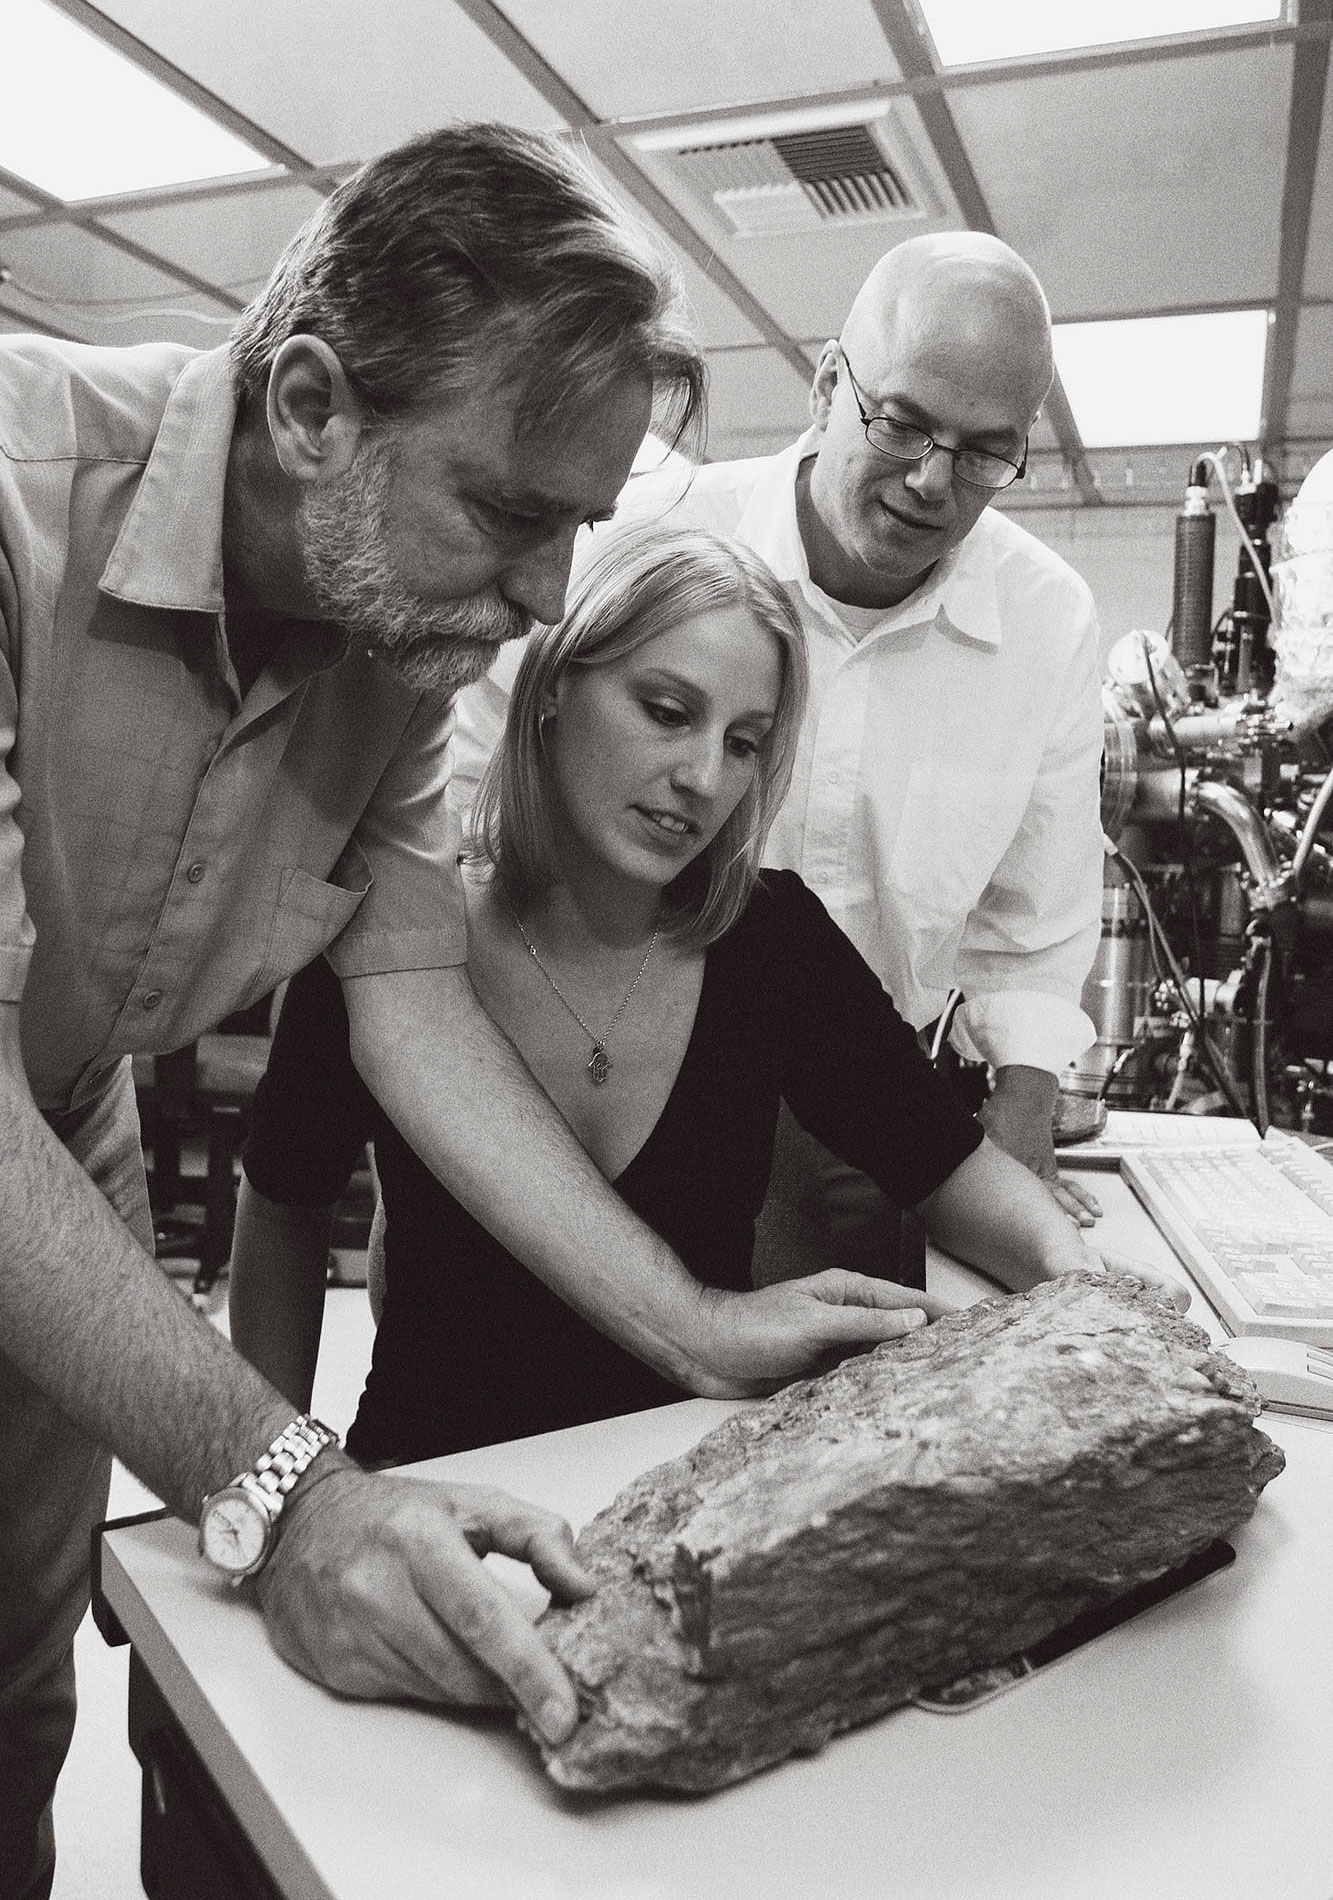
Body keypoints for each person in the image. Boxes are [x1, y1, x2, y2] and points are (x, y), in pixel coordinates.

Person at [0, 127, 931, 1900]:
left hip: (62, 1116)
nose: (543, 600)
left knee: (12, 1694)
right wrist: (288, 1489)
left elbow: (410, 992)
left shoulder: (388, 635)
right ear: (308, 406)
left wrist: (690, 1323)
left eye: (579, 525)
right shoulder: (13, 487)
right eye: (511, 511)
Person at [230, 525, 1181, 1463]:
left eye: (745, 744)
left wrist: (1079, 1279)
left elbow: (949, 1168)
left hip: (690, 1468)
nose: (702, 778)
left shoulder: (769, 939)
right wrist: (278, 1476)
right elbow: (282, 1203)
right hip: (438, 1473)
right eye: (666, 711)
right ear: (556, 684)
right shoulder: (396, 930)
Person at [450, 230, 1109, 1285]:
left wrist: (1019, 1118)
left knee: (828, 1409)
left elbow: (1035, 928)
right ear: (828, 385)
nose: (932, 481)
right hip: (573, 1073)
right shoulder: (644, 541)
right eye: (901, 423)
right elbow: (468, 796)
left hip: (873, 1116)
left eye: (984, 451)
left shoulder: (1045, 624)